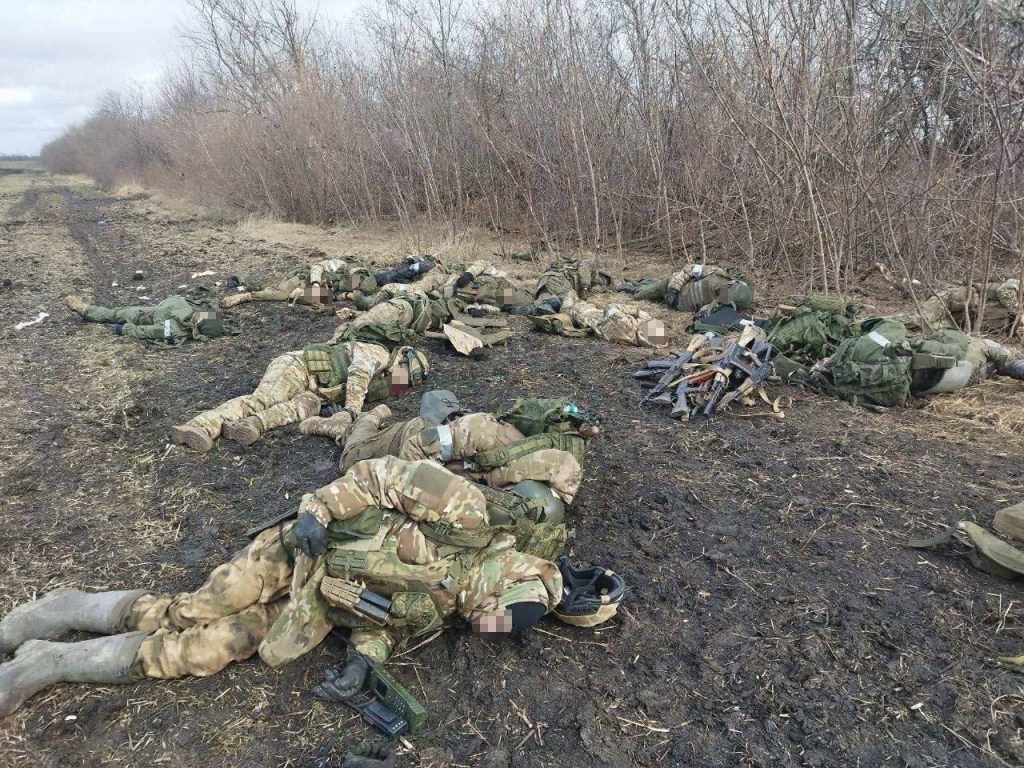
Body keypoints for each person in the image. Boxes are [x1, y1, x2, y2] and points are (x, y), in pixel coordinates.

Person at [0, 458, 623, 718]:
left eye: (501, 617)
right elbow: (379, 475)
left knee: (204, 650)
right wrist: (315, 514)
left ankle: (51, 665)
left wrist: (361, 663)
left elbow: (389, 613)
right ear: (516, 569)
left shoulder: (457, 606)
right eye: (509, 605)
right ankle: (59, 610)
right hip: (301, 548)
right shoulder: (468, 511)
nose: (491, 617)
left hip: (322, 601)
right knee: (197, 607)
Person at [300, 391, 596, 504]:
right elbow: (415, 451)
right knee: (350, 459)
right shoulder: (483, 433)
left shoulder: (556, 474)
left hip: (448, 446)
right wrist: (429, 496)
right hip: (414, 437)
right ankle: (358, 418)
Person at [169, 342, 429, 452]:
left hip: (315, 391)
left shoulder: (385, 379)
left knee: (298, 409)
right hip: (298, 368)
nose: (404, 384)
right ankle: (200, 426)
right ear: (402, 361)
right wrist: (351, 411)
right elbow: (358, 372)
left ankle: (250, 425)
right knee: (262, 399)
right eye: (407, 376)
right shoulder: (379, 354)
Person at [805, 319, 1024, 408]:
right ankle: (1013, 365)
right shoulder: (869, 342)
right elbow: (894, 325)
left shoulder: (841, 377)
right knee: (991, 349)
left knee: (987, 366)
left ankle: (1002, 368)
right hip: (953, 367)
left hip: (932, 383)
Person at [64, 294, 228, 346]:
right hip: (157, 308)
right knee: (121, 310)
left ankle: (85, 310)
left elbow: (149, 331)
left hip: (145, 316)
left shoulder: (173, 329)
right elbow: (214, 316)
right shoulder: (191, 311)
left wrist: (125, 330)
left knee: (116, 314)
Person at [221, 252, 367, 309]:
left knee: (322, 301)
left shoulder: (352, 282)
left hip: (311, 290)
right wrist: (316, 284)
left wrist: (346, 296)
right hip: (302, 279)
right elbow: (316, 267)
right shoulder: (338, 264)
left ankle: (293, 294)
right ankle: (246, 296)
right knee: (280, 295)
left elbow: (335, 295)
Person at [895, 279, 1021, 336]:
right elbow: (1004, 293)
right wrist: (1017, 308)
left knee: (924, 328)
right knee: (919, 318)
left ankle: (890, 328)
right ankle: (882, 322)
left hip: (961, 311)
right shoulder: (1016, 283)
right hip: (953, 296)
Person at [530, 297, 670, 348]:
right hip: (598, 319)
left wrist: (636, 311)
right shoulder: (638, 339)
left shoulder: (627, 326)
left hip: (589, 316)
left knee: (568, 300)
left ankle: (547, 304)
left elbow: (611, 308)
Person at [617, 264, 754, 313]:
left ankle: (641, 282)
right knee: (639, 295)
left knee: (650, 285)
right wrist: (672, 291)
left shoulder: (727, 302)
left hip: (678, 303)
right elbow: (689, 269)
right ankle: (628, 287)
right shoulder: (715, 272)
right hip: (672, 288)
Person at [510, 257, 613, 316]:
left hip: (546, 278)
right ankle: (534, 308)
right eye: (603, 280)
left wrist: (604, 288)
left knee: (544, 297)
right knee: (565, 305)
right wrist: (585, 289)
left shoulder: (569, 266)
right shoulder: (588, 263)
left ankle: (529, 308)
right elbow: (583, 274)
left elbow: (595, 288)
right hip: (560, 281)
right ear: (600, 275)